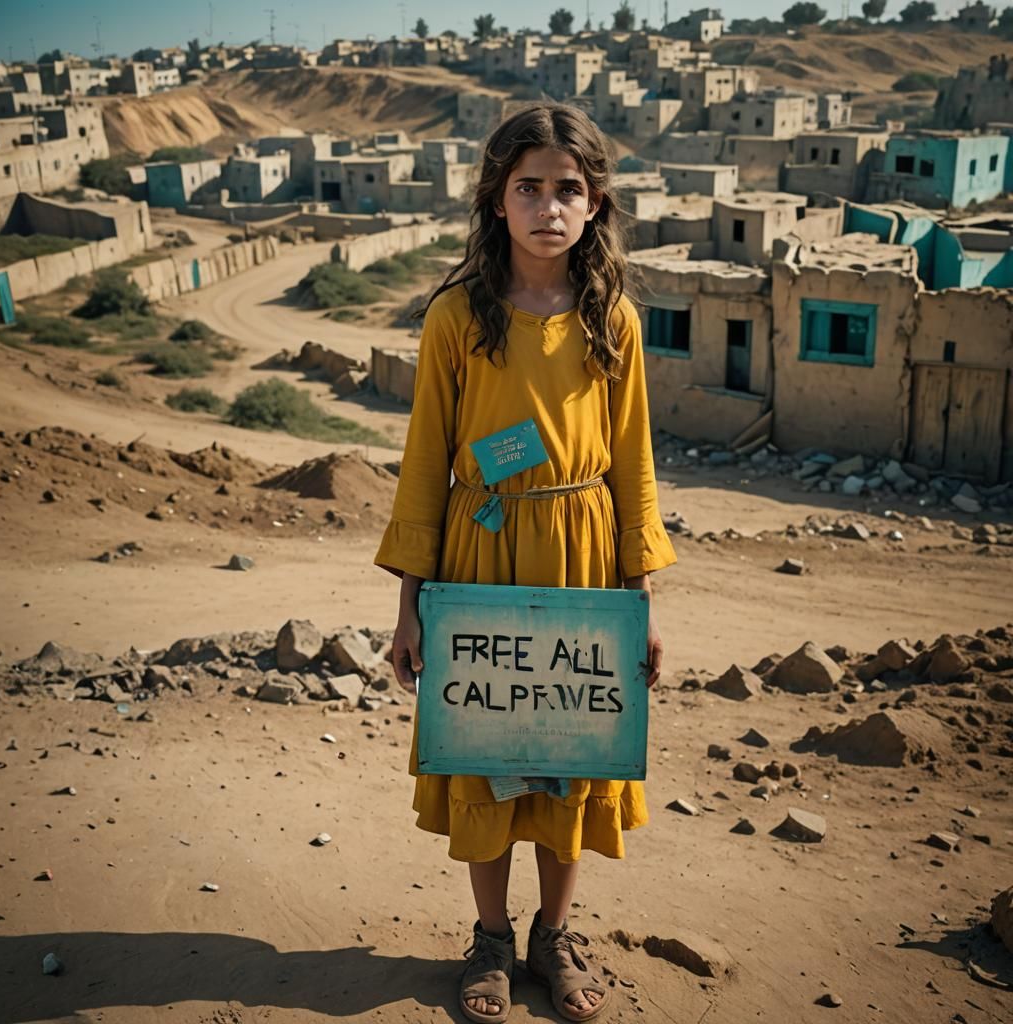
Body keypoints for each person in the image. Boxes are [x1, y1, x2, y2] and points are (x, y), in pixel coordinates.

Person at [374, 102, 677, 1022]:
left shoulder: (610, 318)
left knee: (573, 756)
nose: (549, 206)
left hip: (582, 562)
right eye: (529, 187)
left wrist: (643, 601)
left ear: (595, 204)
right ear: (496, 201)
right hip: (482, 557)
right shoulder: (457, 318)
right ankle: (492, 941)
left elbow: (633, 463)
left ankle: (555, 938)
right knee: (489, 756)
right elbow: (428, 460)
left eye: (568, 189)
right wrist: (410, 605)